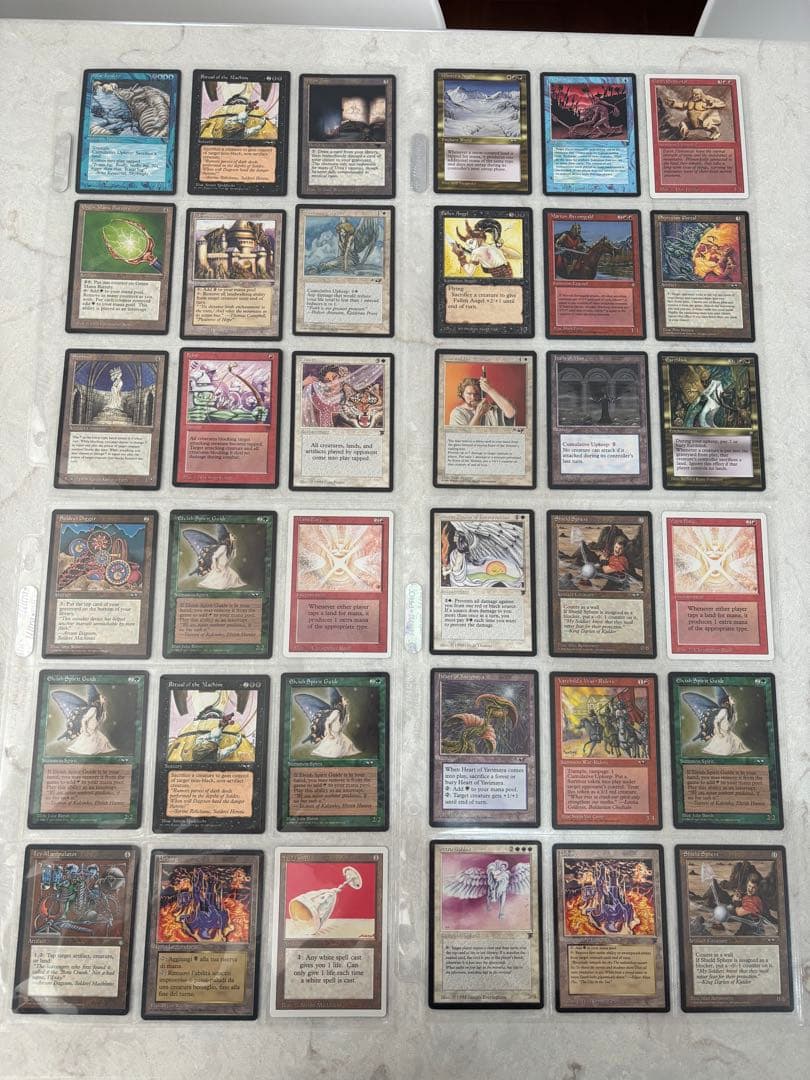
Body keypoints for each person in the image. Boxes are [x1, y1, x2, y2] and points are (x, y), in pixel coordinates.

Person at [449, 376, 516, 427]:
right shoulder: (457, 413)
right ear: (462, 395)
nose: (473, 397)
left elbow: (511, 412)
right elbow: (466, 437)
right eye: (469, 394)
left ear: (481, 394)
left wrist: (489, 390)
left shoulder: (491, 409)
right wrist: (478, 414)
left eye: (476, 394)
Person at [703, 690, 750, 756]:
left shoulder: (732, 711)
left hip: (728, 733)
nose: (733, 699)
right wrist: (719, 733)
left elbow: (732, 723)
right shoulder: (724, 711)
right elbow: (716, 721)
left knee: (739, 744)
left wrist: (734, 716)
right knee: (726, 751)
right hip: (722, 733)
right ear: (727, 701)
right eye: (731, 698)